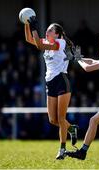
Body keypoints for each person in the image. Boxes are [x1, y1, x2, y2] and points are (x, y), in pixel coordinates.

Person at [24, 16, 78, 160]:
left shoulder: (60, 42)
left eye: (50, 31)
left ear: (57, 34)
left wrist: (34, 28)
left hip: (61, 80)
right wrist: (27, 24)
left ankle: (62, 150)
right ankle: (71, 129)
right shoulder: (47, 41)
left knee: (61, 118)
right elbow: (30, 39)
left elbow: (39, 46)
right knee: (52, 120)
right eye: (46, 30)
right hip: (50, 83)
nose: (47, 32)